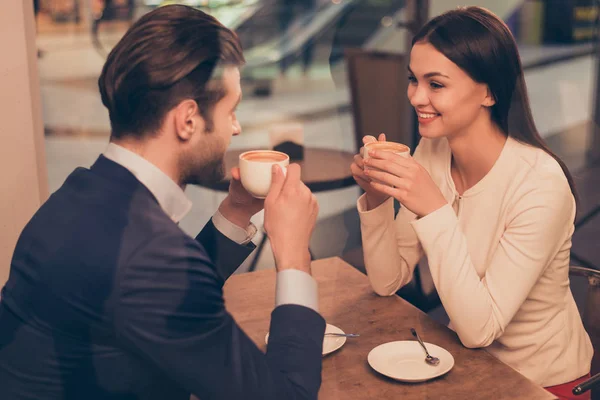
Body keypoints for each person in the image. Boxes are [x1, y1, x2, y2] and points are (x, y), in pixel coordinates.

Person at [0, 5, 324, 400]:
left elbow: (170, 300)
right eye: (231, 111)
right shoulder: (152, 258)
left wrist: (237, 211)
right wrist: (292, 257)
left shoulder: (77, 195)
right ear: (187, 119)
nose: (235, 128)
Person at [351, 6, 593, 399]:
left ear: (489, 92)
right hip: (465, 366)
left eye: (436, 84)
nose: (416, 96)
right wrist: (377, 197)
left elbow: (481, 330)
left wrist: (435, 210)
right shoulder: (432, 150)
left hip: (542, 383)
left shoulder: (539, 184)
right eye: (413, 80)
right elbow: (386, 280)